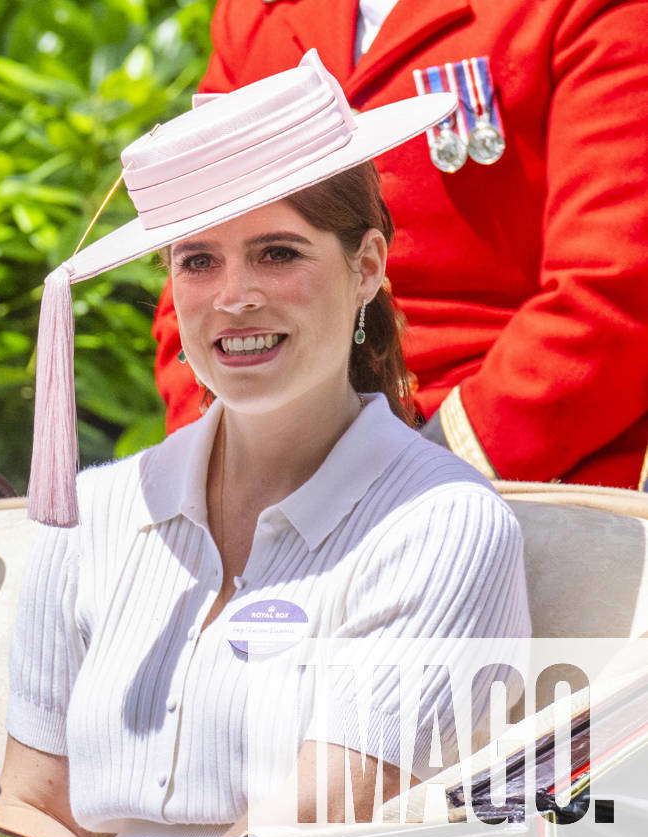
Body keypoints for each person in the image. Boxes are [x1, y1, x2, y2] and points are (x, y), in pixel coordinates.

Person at [0, 53, 530, 837]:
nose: (234, 296)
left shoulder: (442, 527)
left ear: (367, 267)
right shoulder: (90, 516)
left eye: (278, 252)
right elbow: (35, 811)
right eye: (198, 259)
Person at [151, 0, 648, 491]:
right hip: (275, 457)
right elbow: (199, 256)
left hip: (511, 463)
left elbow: (617, 286)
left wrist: (432, 464)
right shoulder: (257, 14)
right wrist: (216, 461)